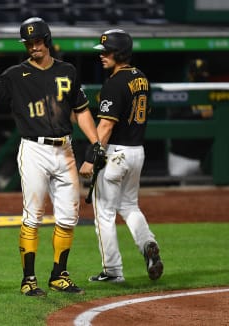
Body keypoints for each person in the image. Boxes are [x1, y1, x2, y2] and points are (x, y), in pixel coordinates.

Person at [0, 17, 101, 296]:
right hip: (34, 149)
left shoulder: (68, 71)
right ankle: (28, 279)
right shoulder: (15, 75)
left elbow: (80, 110)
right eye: (28, 43)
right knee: (33, 215)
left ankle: (59, 274)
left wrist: (96, 142)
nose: (33, 47)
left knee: (68, 217)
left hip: (64, 149)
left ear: (48, 40)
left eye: (38, 41)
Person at [79, 29, 163, 283]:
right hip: (137, 152)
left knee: (104, 212)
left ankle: (113, 271)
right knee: (129, 205)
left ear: (121, 53)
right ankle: (148, 243)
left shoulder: (114, 83)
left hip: (116, 152)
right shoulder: (142, 77)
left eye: (107, 51)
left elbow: (105, 127)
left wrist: (90, 158)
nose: (102, 55)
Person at [168, 58, 213, 177]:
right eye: (196, 74)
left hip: (205, 159)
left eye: (203, 74)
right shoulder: (180, 93)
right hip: (182, 158)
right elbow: (174, 118)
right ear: (189, 74)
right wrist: (199, 115)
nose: (200, 77)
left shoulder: (214, 94)